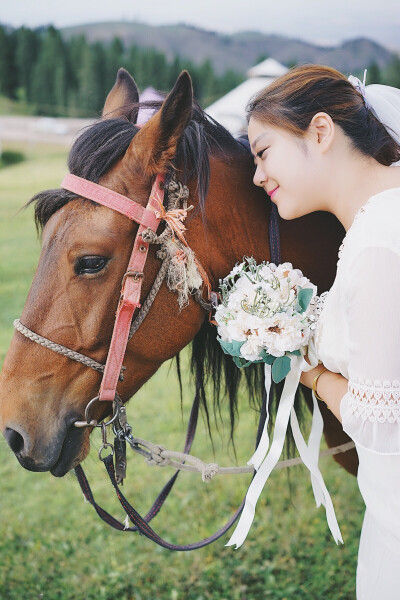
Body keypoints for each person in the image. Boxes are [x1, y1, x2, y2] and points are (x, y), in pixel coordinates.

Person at [247, 64, 400, 599]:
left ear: (320, 131)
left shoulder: (380, 241)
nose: (257, 175)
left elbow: (381, 426)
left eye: (264, 152)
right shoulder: (381, 221)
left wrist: (310, 374)